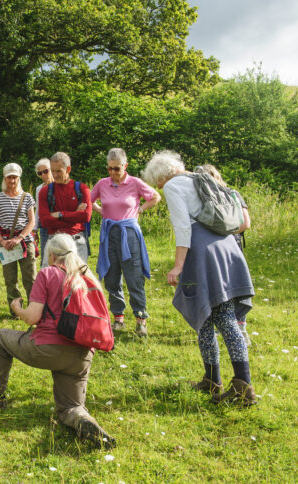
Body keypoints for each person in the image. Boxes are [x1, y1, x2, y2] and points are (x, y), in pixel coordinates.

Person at [0, 233, 116, 449]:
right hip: (81, 354)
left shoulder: (47, 274)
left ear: (51, 255)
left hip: (47, 349)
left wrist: (17, 309)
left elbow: (33, 317)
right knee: (69, 408)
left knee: (0, 338)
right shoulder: (88, 277)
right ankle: (82, 419)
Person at [142, 151, 257, 405]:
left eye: (157, 182)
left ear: (162, 175)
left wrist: (178, 265)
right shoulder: (200, 176)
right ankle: (212, 379)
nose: (159, 187)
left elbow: (183, 226)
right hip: (226, 246)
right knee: (205, 317)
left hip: (203, 252)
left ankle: (243, 387)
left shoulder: (173, 185)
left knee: (223, 316)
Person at [90, 148, 161, 336]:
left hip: (129, 233)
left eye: (117, 169)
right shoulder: (102, 184)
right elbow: (88, 201)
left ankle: (140, 318)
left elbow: (155, 197)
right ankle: (118, 318)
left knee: (133, 275)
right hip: (109, 232)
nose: (113, 173)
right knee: (112, 276)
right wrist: (100, 212)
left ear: (125, 166)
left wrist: (141, 209)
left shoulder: (135, 183)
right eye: (110, 169)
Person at [194, 164, 252, 344]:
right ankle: (218, 325)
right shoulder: (200, 198)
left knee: (234, 285)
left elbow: (245, 223)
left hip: (230, 246)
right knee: (216, 284)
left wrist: (223, 231)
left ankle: (240, 327)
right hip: (213, 248)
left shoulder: (231, 194)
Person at [0, 163, 37, 309]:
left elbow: (32, 221)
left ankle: (34, 308)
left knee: (30, 278)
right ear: (4, 178)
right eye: (9, 177)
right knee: (10, 279)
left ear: (19, 178)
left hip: (25, 242)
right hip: (7, 245)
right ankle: (15, 309)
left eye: (15, 178)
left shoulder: (27, 197)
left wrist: (20, 238)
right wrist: (2, 241)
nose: (12, 181)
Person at [38, 152, 93, 265]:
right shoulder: (45, 191)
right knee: (50, 279)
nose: (54, 175)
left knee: (77, 280)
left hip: (77, 241)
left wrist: (60, 214)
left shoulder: (82, 189)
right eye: (52, 171)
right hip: (54, 240)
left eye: (58, 171)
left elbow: (86, 216)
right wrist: (74, 214)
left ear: (68, 169)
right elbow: (44, 221)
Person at [33, 158, 54, 263]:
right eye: (40, 173)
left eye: (46, 171)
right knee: (45, 257)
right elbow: (38, 210)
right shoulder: (39, 189)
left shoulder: (60, 185)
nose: (43, 175)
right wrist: (34, 229)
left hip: (60, 225)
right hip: (44, 227)